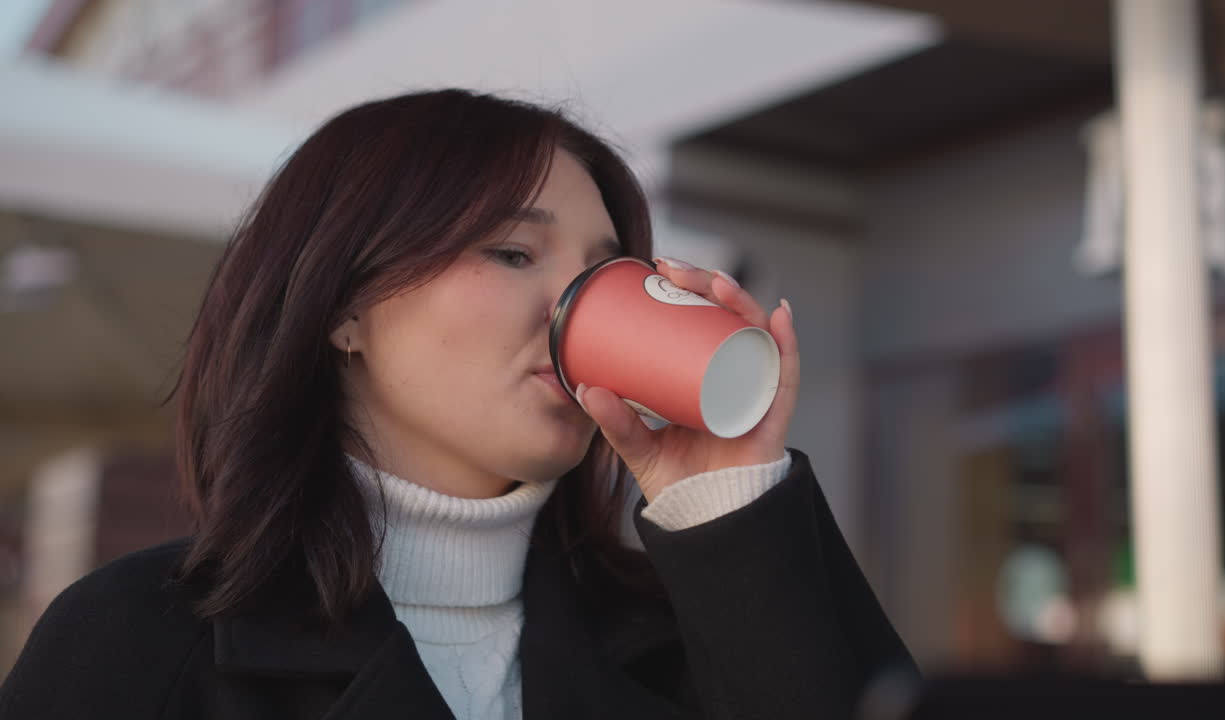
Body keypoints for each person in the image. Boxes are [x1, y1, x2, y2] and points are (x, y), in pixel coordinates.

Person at [0, 89, 914, 720]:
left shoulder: (687, 635)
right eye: (512, 253)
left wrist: (730, 498)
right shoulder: (140, 644)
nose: (570, 308)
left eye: (604, 274)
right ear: (345, 308)